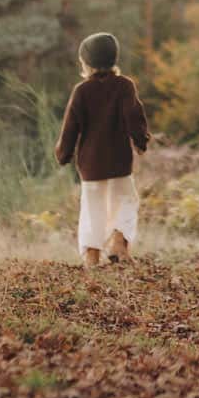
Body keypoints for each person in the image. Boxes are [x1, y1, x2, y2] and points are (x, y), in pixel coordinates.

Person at [54, 31, 149, 267]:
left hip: (91, 164)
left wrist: (63, 154)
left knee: (92, 209)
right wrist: (140, 141)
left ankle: (92, 256)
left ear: (87, 63)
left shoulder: (82, 91)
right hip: (119, 161)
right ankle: (119, 242)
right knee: (126, 201)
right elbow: (134, 116)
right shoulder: (125, 86)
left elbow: (71, 126)